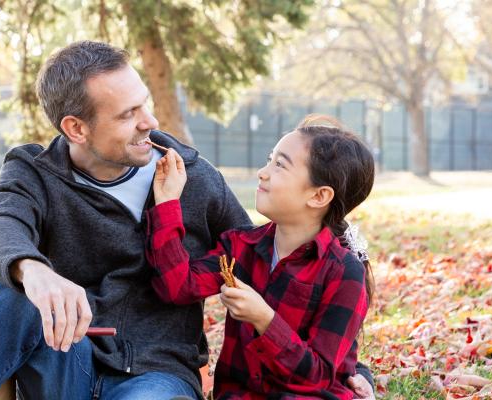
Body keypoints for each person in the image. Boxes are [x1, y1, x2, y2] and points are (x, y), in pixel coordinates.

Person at [0, 40, 373, 399]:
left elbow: (270, 259)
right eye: (128, 114)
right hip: (68, 361)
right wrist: (35, 273)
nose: (148, 121)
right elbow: (1, 226)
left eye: (144, 103)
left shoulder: (190, 174)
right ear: (76, 128)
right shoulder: (34, 172)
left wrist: (348, 369)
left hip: (157, 376)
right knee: (15, 299)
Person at [146, 115, 375, 399]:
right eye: (270, 159)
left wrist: (265, 320)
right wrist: (167, 203)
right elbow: (176, 287)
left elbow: (315, 377)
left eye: (280, 165)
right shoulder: (240, 247)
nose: (262, 172)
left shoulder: (344, 273)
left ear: (319, 196)